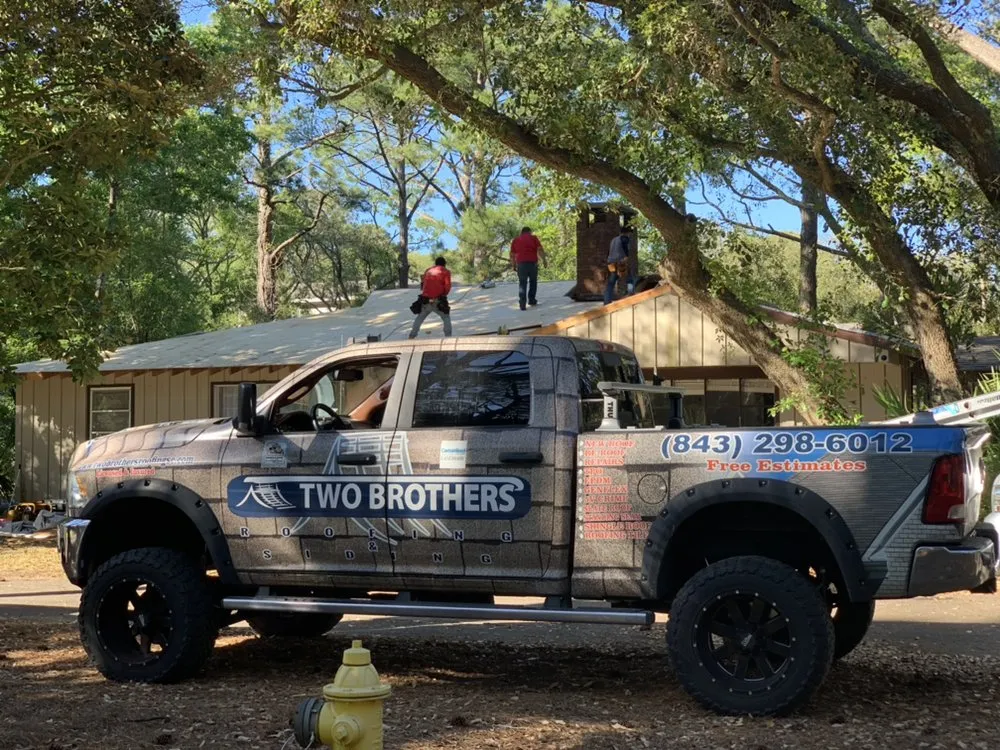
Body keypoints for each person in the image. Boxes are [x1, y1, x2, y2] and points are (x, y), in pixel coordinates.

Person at [409, 257, 452, 338]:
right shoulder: (446, 271)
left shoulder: (428, 270)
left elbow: (423, 284)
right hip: (438, 300)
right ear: (444, 264)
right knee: (446, 317)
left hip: (426, 300)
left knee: (420, 317)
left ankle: (412, 336)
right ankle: (448, 337)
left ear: (435, 263)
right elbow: (447, 286)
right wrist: (444, 295)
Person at [509, 226, 547, 311]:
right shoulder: (533, 238)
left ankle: (522, 304)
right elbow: (540, 249)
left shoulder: (516, 240)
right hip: (532, 263)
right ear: (530, 232)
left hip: (521, 264)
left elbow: (512, 255)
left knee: (522, 283)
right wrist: (544, 260)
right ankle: (532, 300)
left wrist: (514, 265)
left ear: (521, 232)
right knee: (533, 282)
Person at [604, 225, 635, 305]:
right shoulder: (624, 238)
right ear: (627, 232)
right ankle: (632, 296)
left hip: (611, 263)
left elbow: (609, 252)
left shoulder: (613, 240)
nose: (629, 235)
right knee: (630, 279)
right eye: (629, 233)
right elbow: (625, 248)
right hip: (620, 262)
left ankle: (607, 302)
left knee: (611, 283)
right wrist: (626, 257)